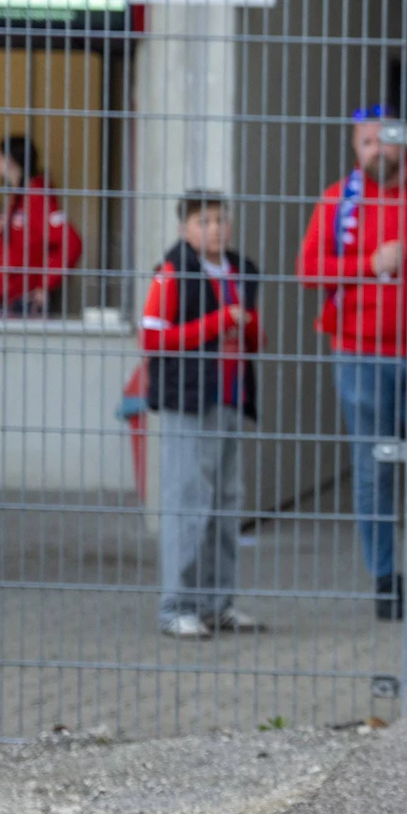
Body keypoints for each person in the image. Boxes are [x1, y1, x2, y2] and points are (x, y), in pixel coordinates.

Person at [295, 95, 407, 619]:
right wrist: (368, 263)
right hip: (360, 355)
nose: (375, 149)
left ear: (402, 139)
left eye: (384, 137)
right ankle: (385, 579)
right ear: (354, 148)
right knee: (373, 470)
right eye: (365, 142)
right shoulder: (338, 200)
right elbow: (307, 270)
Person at [141, 193, 265, 639]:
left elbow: (253, 335)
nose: (215, 228)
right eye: (204, 220)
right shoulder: (173, 272)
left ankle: (217, 604)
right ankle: (176, 606)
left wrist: (247, 326)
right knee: (188, 504)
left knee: (226, 503)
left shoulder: (240, 269)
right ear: (185, 229)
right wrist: (218, 322)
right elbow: (152, 338)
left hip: (230, 398)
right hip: (190, 404)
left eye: (222, 219)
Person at [0, 134, 84, 317]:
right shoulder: (19, 197)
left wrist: (45, 284)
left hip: (23, 299)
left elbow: (71, 242)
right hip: (10, 296)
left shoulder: (36, 196)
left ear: (10, 160)